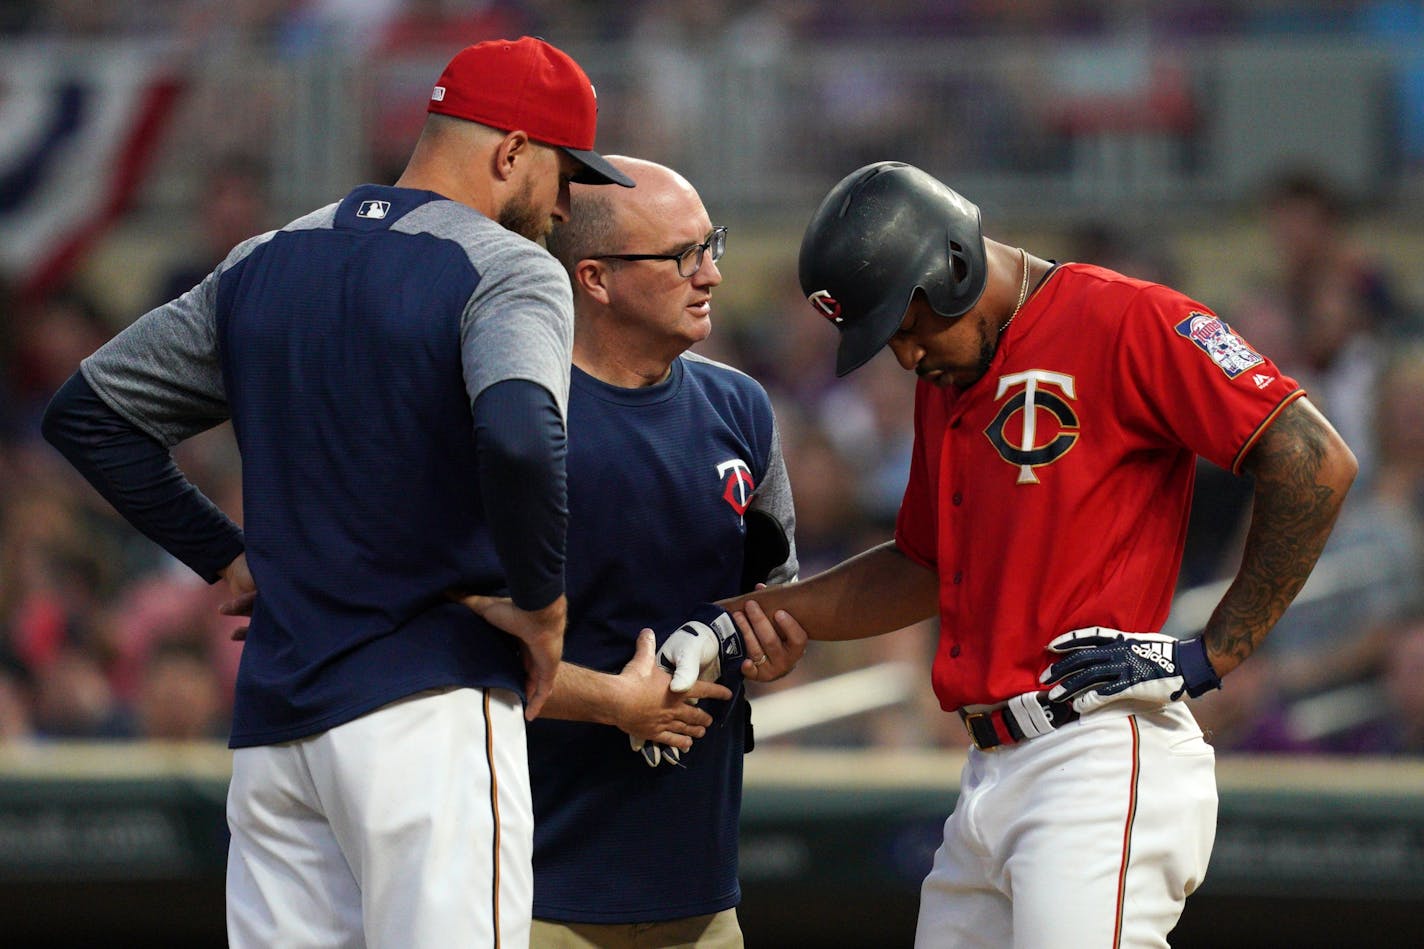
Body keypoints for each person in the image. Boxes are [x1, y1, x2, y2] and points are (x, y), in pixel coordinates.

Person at [668, 161, 1358, 947]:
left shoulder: (1123, 318)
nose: (903, 356)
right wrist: (747, 618)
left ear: (955, 265)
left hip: (1096, 753)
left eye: (904, 324)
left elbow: (1314, 456)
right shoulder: (950, 369)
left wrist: (1215, 650)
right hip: (988, 771)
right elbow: (920, 565)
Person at [41, 35, 634, 949]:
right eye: (564, 173)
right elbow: (521, 437)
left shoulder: (266, 258)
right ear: (512, 151)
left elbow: (88, 414)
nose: (566, 204)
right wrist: (545, 604)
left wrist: (224, 556)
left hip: (278, 734)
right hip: (426, 709)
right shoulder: (508, 267)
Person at [458, 155, 800, 948]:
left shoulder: (740, 406)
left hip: (702, 894)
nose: (711, 274)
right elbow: (452, 637)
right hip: (531, 889)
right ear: (596, 278)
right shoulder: (516, 422)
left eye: (712, 244)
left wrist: (769, 641)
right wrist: (617, 702)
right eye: (684, 255)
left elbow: (776, 592)